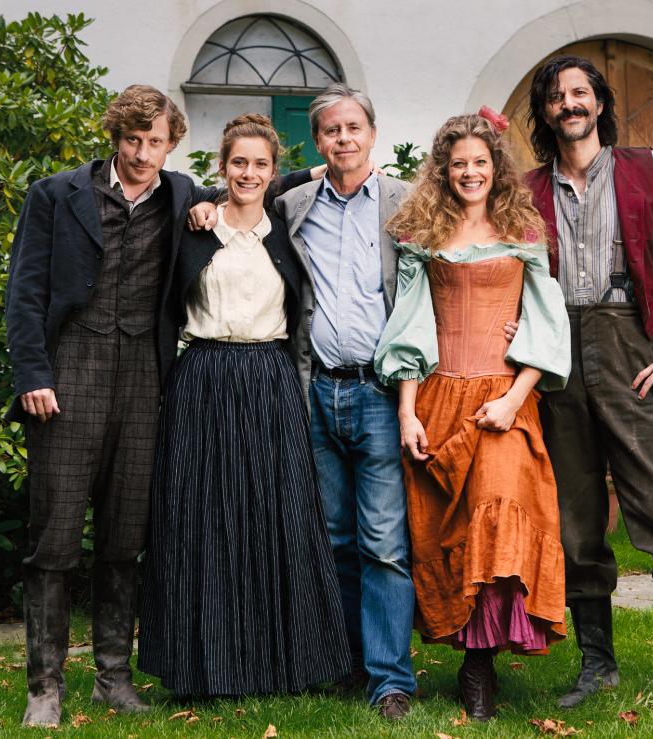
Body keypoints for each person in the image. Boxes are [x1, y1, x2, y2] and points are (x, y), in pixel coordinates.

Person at [4, 85, 218, 727]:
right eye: (132, 139)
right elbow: (24, 291)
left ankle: (113, 678)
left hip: (145, 379)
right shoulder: (55, 194)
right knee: (54, 539)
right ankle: (44, 686)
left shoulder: (182, 194)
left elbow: (254, 182)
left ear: (172, 144)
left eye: (155, 142)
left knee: (125, 538)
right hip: (69, 374)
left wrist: (317, 173)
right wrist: (32, 373)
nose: (142, 154)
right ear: (114, 137)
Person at [523, 55, 653, 720]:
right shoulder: (526, 190)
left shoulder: (649, 169)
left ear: (600, 103)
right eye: (557, 96)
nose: (569, 103)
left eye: (580, 92)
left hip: (632, 349)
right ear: (545, 111)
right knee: (574, 523)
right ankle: (598, 666)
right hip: (556, 359)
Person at [136, 114, 350, 697]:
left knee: (275, 519)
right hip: (202, 377)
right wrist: (205, 203)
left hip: (270, 378)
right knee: (200, 521)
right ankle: (202, 668)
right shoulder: (196, 225)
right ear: (222, 167)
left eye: (259, 164)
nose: (248, 173)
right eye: (238, 163)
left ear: (273, 171)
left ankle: (281, 665)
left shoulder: (288, 230)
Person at [373, 110, 571, 721]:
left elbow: (546, 322)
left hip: (505, 400)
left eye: (480, 162)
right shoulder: (422, 234)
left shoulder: (522, 230)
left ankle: (481, 668)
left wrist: (514, 398)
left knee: (499, 512)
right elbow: (409, 326)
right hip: (439, 396)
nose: (469, 172)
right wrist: (407, 413)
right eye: (458, 163)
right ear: (443, 169)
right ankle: (471, 661)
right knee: (453, 530)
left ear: (495, 167)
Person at [274, 83, 418, 720]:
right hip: (317, 389)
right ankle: (351, 661)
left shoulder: (405, 202)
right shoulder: (294, 203)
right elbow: (238, 189)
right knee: (334, 538)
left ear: (373, 133)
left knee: (383, 542)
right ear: (317, 141)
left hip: (380, 392)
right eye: (331, 130)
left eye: (353, 127)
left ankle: (391, 681)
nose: (343, 139)